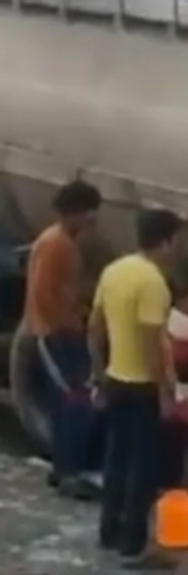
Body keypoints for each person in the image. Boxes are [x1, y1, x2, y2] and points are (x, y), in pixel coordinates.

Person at [89, 209, 180, 569]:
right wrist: (164, 393)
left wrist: (98, 373)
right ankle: (134, 544)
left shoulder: (114, 271)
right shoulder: (153, 283)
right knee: (142, 467)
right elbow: (151, 342)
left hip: (115, 377)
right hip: (142, 386)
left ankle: (108, 531)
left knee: (116, 458)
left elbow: (95, 326)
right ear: (166, 241)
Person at [24, 180, 102, 500]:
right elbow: (45, 294)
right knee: (74, 404)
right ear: (76, 212)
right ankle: (69, 473)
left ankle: (62, 469)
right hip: (59, 336)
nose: (93, 219)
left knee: (64, 405)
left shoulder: (57, 241)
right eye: (90, 212)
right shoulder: (58, 245)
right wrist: (67, 324)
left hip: (59, 332)